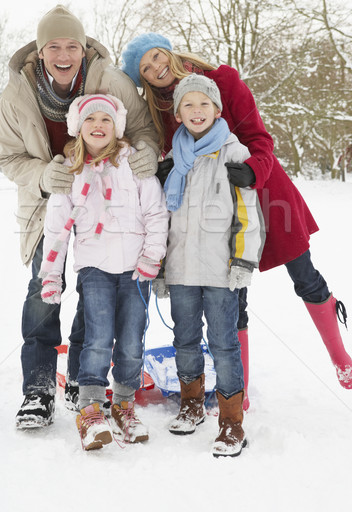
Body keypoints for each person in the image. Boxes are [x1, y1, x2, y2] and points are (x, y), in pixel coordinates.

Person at [120, 32, 352, 402]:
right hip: (214, 210)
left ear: (169, 51)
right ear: (143, 79)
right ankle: (238, 393)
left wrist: (254, 169)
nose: (155, 68)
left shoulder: (223, 80)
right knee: (233, 291)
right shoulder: (159, 111)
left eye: (155, 56)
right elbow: (177, 157)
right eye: (144, 68)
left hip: (262, 189)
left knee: (304, 276)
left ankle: (342, 359)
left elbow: (259, 138)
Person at [0, 6, 161, 429]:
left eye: (72, 45)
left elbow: (143, 128)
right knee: (43, 288)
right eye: (54, 46)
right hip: (47, 198)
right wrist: (42, 175)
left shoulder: (110, 82)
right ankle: (38, 389)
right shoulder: (18, 95)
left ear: (83, 48)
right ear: (41, 50)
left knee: (96, 291)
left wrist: (143, 155)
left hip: (108, 204)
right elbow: (7, 156)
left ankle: (81, 384)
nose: (64, 54)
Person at [39, 93, 169, 450]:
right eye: (91, 120)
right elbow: (57, 229)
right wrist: (51, 275)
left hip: (136, 270)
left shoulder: (135, 167)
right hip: (95, 268)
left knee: (130, 341)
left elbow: (157, 215)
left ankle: (124, 405)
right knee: (97, 339)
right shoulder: (70, 171)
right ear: (78, 128)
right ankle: (91, 408)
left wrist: (152, 257)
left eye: (106, 120)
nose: (98, 126)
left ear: (117, 127)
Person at [163, 74, 264, 457]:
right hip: (181, 268)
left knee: (224, 345)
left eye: (204, 103)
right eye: (187, 105)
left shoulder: (234, 154)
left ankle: (231, 421)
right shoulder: (173, 160)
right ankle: (191, 403)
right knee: (184, 339)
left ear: (217, 109)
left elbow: (247, 215)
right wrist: (159, 267)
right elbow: (161, 219)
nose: (196, 111)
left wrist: (242, 261)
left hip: (222, 271)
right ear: (178, 114)